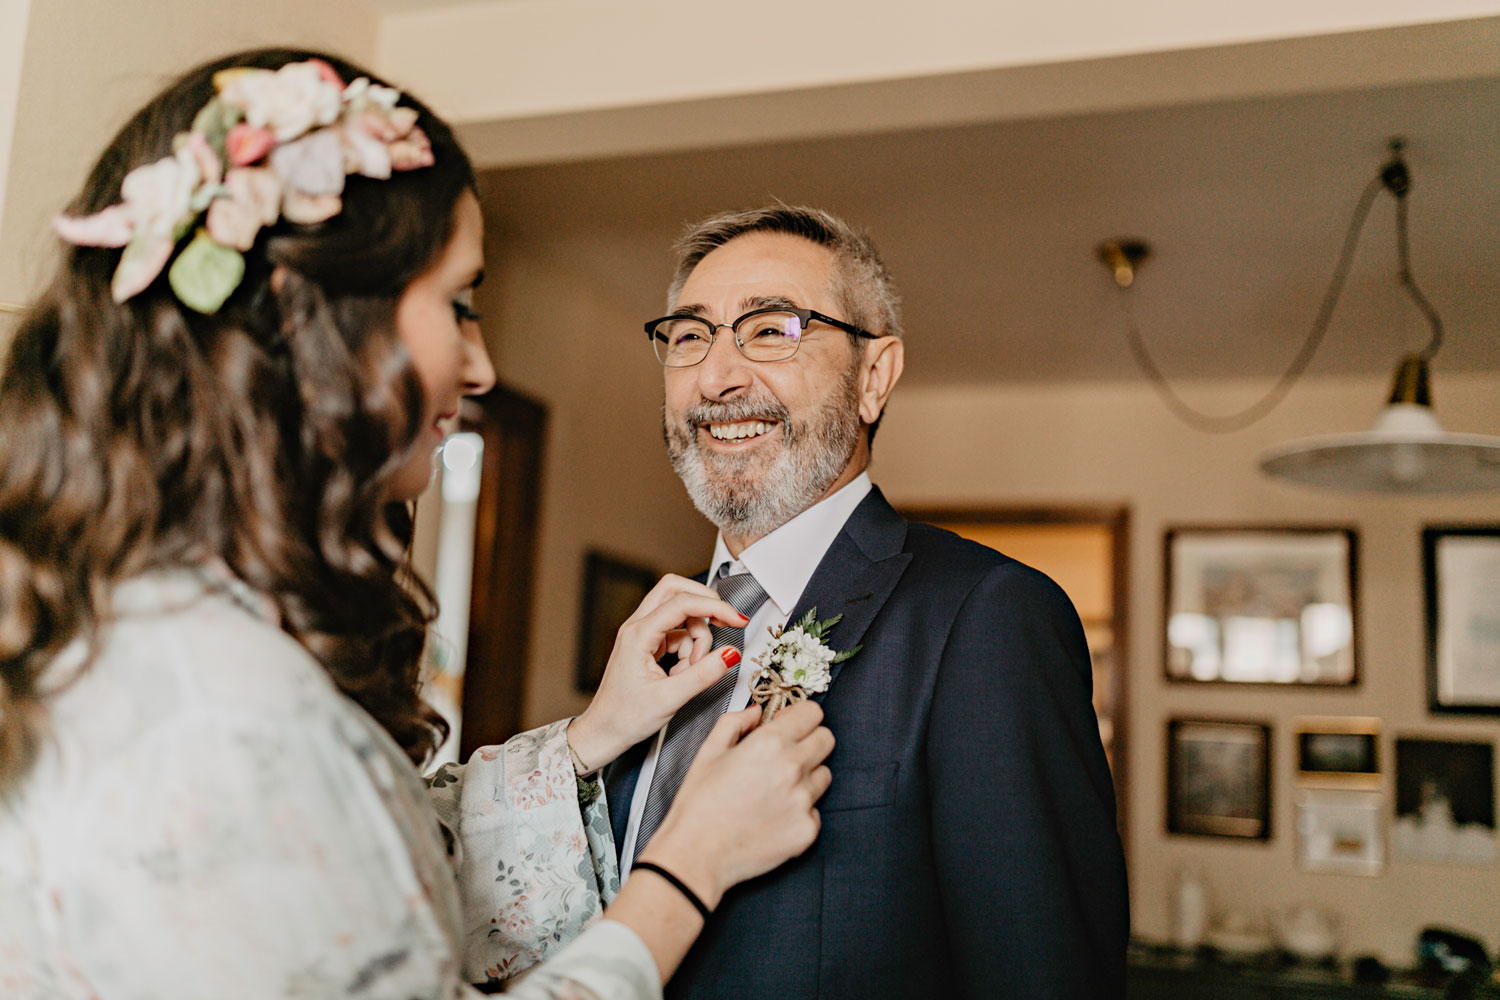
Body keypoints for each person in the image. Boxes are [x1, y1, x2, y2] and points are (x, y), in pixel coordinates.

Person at [0, 51, 834, 999]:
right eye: (458, 305)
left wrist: (590, 739)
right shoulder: (215, 716)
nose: (480, 369)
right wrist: (688, 868)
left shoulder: (154, 610)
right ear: (313, 323)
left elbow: (356, 870)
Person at [605, 205, 1130, 997]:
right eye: (689, 336)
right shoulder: (648, 652)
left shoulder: (988, 618)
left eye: (772, 329)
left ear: (874, 378)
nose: (716, 376)